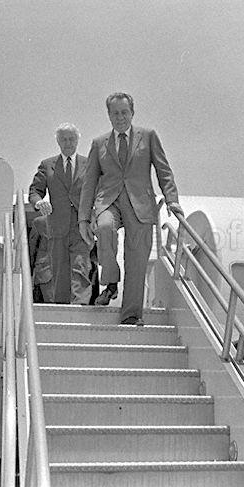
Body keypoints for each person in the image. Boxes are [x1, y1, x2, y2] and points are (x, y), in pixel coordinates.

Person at [78, 92, 183, 325]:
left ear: (132, 113)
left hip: (140, 204)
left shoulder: (148, 136)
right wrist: (83, 218)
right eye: (115, 113)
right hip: (109, 201)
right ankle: (111, 282)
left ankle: (131, 315)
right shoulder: (99, 143)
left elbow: (163, 170)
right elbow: (89, 182)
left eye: (124, 112)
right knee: (104, 228)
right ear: (109, 115)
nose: (120, 117)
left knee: (136, 261)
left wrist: (172, 199)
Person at [28, 123, 92, 304]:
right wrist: (39, 202)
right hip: (57, 226)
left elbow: (101, 190)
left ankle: (80, 305)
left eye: (71, 139)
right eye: (64, 139)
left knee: (80, 266)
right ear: (58, 141)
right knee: (59, 271)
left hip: (82, 225)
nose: (68, 143)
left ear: (77, 141)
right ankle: (62, 308)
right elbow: (35, 191)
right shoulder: (47, 165)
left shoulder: (90, 164)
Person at [27, 215, 55, 303]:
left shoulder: (40, 222)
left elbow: (32, 248)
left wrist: (30, 270)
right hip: (66, 273)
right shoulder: (74, 220)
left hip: (45, 271)